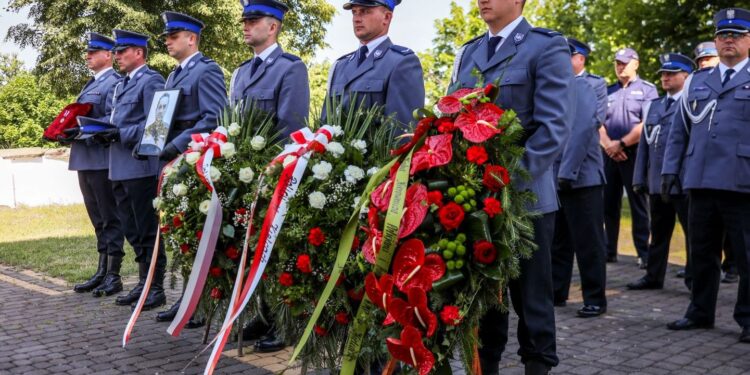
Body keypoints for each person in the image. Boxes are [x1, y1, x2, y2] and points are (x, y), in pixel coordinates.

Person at [450, 0, 574, 372]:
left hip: (525, 198)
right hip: (473, 199)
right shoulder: (469, 51)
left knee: (532, 301)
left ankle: (538, 366)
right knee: (483, 300)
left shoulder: (546, 46)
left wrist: (505, 181)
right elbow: (454, 118)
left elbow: (553, 129)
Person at [662, 7, 750, 344]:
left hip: (741, 181)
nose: (729, 40)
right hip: (699, 179)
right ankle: (699, 311)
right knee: (700, 252)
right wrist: (671, 170)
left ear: (748, 40)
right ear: (715, 41)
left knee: (746, 256)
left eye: (737, 35)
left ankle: (747, 319)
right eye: (723, 35)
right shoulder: (698, 81)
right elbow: (678, 132)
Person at [153, 11, 228, 327]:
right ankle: (186, 299)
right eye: (167, 37)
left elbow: (213, 116)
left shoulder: (206, 71)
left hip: (193, 160)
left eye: (173, 36)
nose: (168, 41)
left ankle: (201, 305)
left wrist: (176, 145)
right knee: (181, 234)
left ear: (191, 38)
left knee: (197, 234)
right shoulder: (173, 75)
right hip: (174, 160)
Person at [95, 29, 167, 311]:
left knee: (147, 229)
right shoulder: (121, 85)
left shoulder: (151, 81)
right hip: (120, 167)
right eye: (116, 52)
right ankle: (142, 281)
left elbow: (155, 124)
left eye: (122, 51)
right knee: (130, 228)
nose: (117, 56)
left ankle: (155, 286)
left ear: (139, 53)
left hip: (141, 166)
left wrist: (119, 133)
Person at [551, 37, 607, 318]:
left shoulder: (586, 85)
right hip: (557, 176)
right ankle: (557, 292)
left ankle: (595, 298)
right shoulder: (555, 87)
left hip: (581, 177)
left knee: (589, 242)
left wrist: (566, 171)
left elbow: (583, 129)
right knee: (558, 240)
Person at [66, 33, 124, 297]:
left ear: (109, 55)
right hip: (84, 158)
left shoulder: (114, 82)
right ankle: (102, 271)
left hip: (101, 159)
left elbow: (112, 120)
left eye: (94, 51)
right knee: (97, 218)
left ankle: (113, 274)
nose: (88, 55)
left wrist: (83, 128)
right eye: (88, 52)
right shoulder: (91, 83)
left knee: (110, 217)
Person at [628, 53, 693, 291]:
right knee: (658, 233)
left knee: (693, 234)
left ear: (686, 76)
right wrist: (639, 178)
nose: (665, 78)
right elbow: (644, 145)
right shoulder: (654, 106)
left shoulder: (692, 103)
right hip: (657, 181)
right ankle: (654, 276)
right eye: (663, 74)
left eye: (671, 73)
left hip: (684, 181)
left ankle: (694, 280)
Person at [324, 0, 425, 136]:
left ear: (386, 17)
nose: (357, 19)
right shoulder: (339, 66)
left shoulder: (402, 62)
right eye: (354, 12)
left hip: (376, 157)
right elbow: (324, 125)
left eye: (365, 11)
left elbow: (401, 134)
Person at [600, 47, 658, 267]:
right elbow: (598, 123)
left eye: (624, 62)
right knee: (608, 204)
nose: (620, 66)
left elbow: (646, 123)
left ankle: (643, 253)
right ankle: (609, 250)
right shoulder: (607, 91)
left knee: (638, 205)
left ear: (636, 63)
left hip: (634, 154)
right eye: (617, 62)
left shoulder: (647, 91)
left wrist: (622, 143)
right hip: (609, 154)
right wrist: (609, 146)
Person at [229, 0, 310, 138]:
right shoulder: (240, 72)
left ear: (272, 28)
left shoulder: (291, 68)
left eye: (252, 21)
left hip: (271, 158)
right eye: (245, 22)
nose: (245, 27)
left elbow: (291, 131)